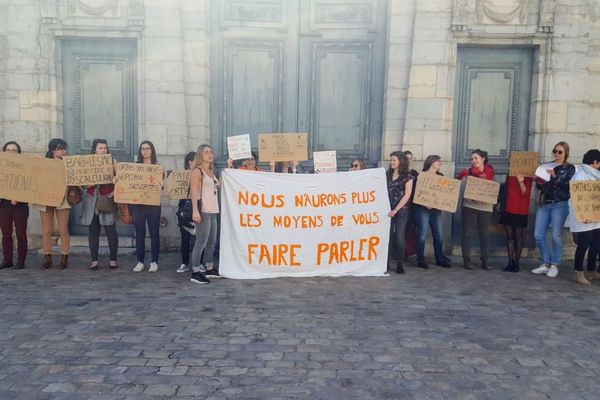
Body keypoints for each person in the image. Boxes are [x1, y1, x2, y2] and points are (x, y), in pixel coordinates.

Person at [532, 141, 576, 278]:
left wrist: (554, 177)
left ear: (566, 154)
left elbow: (567, 186)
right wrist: (539, 181)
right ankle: (546, 263)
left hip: (560, 204)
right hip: (545, 204)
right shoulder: (546, 166)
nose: (557, 154)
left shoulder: (569, 168)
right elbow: (542, 187)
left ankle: (554, 264)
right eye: (555, 151)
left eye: (560, 152)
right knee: (538, 234)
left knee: (556, 235)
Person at [79, 139, 119, 270]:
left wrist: (113, 191)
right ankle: (94, 260)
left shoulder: (113, 162)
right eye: (100, 148)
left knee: (111, 230)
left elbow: (121, 179)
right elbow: (81, 183)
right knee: (93, 231)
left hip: (107, 199)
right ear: (94, 150)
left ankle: (113, 259)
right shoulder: (87, 164)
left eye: (105, 148)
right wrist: (88, 184)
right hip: (91, 200)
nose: (103, 150)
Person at [457, 149, 495, 270]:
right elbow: (455, 183)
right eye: (472, 159)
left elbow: (489, 186)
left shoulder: (490, 171)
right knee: (467, 234)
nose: (473, 161)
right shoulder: (466, 172)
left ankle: (485, 261)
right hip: (469, 206)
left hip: (486, 207)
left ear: (483, 159)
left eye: (476, 158)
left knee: (485, 235)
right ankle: (466, 261)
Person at [567, 149, 600, 285]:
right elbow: (577, 199)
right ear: (595, 162)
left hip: (596, 218)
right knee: (583, 245)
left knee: (596, 244)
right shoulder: (580, 176)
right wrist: (584, 214)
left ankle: (591, 269)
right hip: (584, 219)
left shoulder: (595, 175)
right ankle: (578, 272)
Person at [38, 138, 71, 270]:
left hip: (62, 198)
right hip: (45, 198)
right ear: (53, 150)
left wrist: (64, 165)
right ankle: (47, 257)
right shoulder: (44, 163)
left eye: (64, 149)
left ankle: (64, 257)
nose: (64, 151)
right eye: (60, 149)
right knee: (46, 230)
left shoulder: (68, 163)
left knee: (63, 230)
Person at [413, 155, 452, 269]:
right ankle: (420, 260)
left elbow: (443, 194)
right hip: (422, 209)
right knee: (422, 234)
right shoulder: (421, 176)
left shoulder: (441, 176)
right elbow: (416, 193)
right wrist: (425, 203)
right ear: (431, 162)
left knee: (439, 235)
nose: (440, 163)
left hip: (436, 210)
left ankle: (439, 259)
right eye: (438, 161)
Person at [189, 144, 221, 284]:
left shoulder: (211, 172)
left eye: (211, 152)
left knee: (211, 242)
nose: (209, 154)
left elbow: (220, 185)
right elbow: (194, 192)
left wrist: (230, 168)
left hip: (213, 211)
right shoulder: (198, 171)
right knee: (201, 242)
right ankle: (195, 272)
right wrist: (195, 210)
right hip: (203, 211)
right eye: (206, 152)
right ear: (201, 155)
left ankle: (209, 268)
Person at [131, 141, 163, 273]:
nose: (145, 151)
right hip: (138, 204)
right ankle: (140, 261)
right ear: (140, 151)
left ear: (152, 150)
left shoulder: (158, 167)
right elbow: (129, 183)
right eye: (143, 149)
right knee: (139, 233)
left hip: (153, 204)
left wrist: (161, 182)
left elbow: (161, 186)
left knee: (154, 233)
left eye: (148, 148)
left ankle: (154, 262)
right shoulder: (135, 166)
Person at [0, 141, 29, 269]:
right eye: (8, 150)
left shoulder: (25, 167)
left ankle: (21, 261)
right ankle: (7, 260)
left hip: (20, 205)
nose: (11, 152)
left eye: (14, 150)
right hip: (4, 204)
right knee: (6, 234)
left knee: (21, 233)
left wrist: (18, 197)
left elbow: (30, 183)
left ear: (19, 153)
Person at [499, 172, 533, 273]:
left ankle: (516, 263)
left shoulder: (528, 175)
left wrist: (521, 181)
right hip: (508, 208)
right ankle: (510, 262)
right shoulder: (510, 174)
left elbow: (525, 193)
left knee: (518, 237)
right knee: (509, 237)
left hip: (520, 210)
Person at [386, 151, 414, 274]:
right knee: (387, 237)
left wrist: (396, 210)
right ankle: (385, 263)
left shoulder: (408, 177)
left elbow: (407, 195)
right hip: (387, 210)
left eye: (394, 160)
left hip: (402, 210)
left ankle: (399, 264)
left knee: (399, 236)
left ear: (400, 162)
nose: (392, 162)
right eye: (391, 160)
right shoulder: (387, 175)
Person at [176, 151, 197, 273]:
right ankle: (184, 263)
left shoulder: (201, 174)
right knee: (185, 237)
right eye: (196, 160)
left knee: (200, 237)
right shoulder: (182, 176)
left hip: (197, 208)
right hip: (184, 208)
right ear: (190, 162)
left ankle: (198, 263)